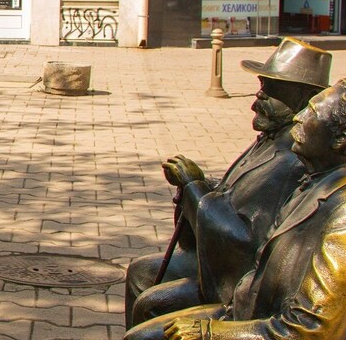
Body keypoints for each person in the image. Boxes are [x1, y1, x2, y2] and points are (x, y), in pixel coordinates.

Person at [128, 79, 346, 340]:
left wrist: (212, 332)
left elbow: (310, 329)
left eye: (311, 112)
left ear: (342, 137)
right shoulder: (324, 182)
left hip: (268, 326)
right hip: (252, 311)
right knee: (147, 323)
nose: (298, 117)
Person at [125, 39, 330, 326]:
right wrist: (194, 186)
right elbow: (230, 198)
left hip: (247, 276)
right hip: (225, 259)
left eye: (272, 91)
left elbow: (243, 243)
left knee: (152, 304)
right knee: (141, 271)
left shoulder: (292, 160)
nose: (258, 97)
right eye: (261, 86)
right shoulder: (272, 138)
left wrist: (195, 187)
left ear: (302, 100)